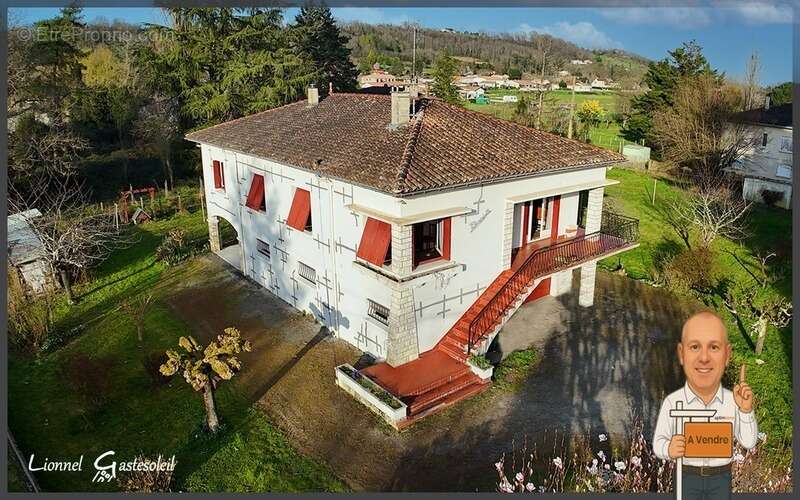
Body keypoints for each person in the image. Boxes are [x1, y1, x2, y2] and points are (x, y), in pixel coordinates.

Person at [653, 311, 758, 500]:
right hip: (686, 476)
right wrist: (668, 448)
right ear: (681, 354)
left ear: (727, 355)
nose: (704, 358)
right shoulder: (673, 402)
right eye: (695, 347)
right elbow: (658, 442)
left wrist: (745, 410)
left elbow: (749, 442)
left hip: (721, 477)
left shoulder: (732, 401)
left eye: (714, 347)